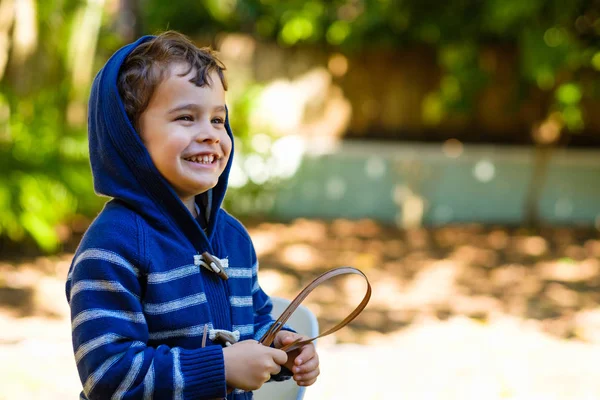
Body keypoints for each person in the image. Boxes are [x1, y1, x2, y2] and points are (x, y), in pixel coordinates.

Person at [65, 31, 319, 400]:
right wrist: (222, 366)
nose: (211, 135)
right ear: (130, 137)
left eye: (218, 119)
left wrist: (280, 345)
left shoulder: (232, 238)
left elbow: (253, 317)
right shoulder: (112, 245)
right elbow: (108, 374)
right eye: (186, 117)